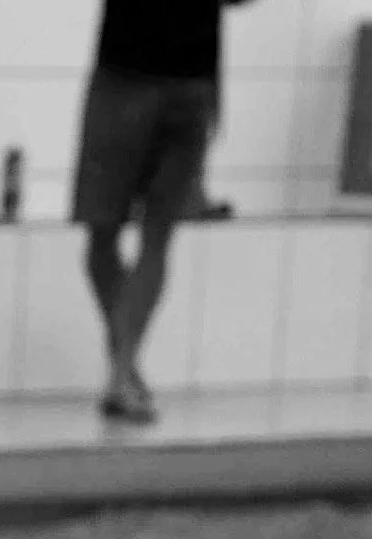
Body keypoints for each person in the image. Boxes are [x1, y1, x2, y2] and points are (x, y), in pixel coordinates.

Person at [73, 0, 256, 422]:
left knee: (157, 237)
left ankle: (121, 373)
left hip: (191, 83)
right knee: (103, 234)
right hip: (123, 79)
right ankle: (126, 367)